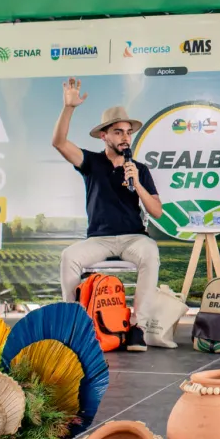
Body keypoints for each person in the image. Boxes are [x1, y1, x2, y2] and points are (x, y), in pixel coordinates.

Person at [52, 78, 163, 352]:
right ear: (104, 136)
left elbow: (157, 211)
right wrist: (69, 108)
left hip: (133, 238)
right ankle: (75, 324)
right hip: (99, 239)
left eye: (128, 132)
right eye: (118, 132)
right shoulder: (91, 162)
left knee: (150, 252)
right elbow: (59, 142)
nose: (125, 137)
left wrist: (137, 182)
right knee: (69, 256)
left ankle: (137, 326)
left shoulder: (140, 168)